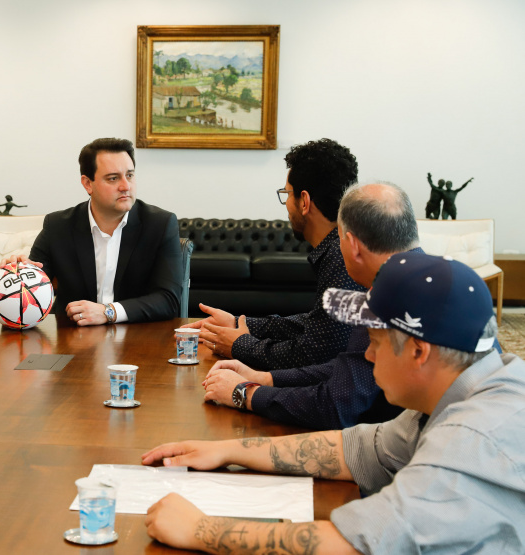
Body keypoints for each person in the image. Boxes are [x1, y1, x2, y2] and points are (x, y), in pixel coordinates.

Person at [142, 251, 524, 554]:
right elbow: (358, 448)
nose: (367, 356)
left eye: (373, 343)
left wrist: (199, 529)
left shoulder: (474, 437)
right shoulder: (468, 390)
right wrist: (224, 451)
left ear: (419, 351)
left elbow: (357, 544)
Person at [202, 183, 420, 429]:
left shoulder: (385, 298)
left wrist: (244, 394)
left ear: (352, 244)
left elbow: (335, 406)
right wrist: (264, 378)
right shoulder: (421, 276)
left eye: (338, 240)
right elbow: (351, 367)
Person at [185, 138, 364, 369]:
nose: (286, 204)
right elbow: (317, 325)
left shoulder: (343, 258)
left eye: (287, 193)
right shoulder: (336, 248)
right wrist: (240, 323)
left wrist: (239, 345)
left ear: (304, 202)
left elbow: (312, 355)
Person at [0, 138, 182, 326]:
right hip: (73, 342)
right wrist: (16, 274)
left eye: (130, 175)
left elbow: (169, 300)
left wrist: (109, 312)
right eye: (113, 178)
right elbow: (33, 290)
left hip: (139, 340)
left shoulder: (160, 224)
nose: (126, 186)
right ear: (88, 184)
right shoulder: (58, 226)